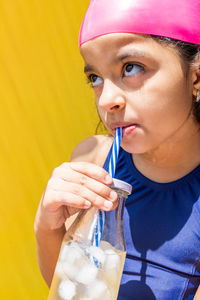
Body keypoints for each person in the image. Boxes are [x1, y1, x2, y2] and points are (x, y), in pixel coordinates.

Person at [34, 0, 200, 299]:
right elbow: (70, 289)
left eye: (131, 67)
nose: (107, 99)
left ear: (196, 74)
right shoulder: (93, 160)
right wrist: (46, 226)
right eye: (94, 78)